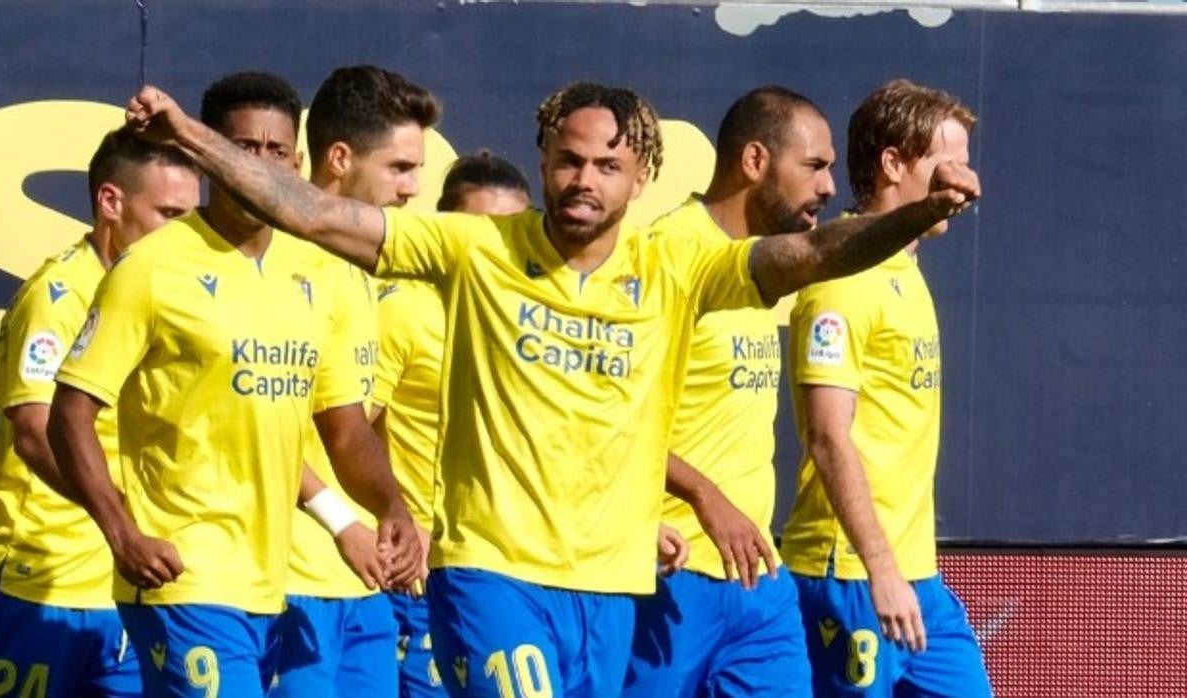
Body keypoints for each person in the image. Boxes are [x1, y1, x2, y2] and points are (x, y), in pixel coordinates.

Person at [121, 79, 979, 696]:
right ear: (543, 159)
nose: (583, 180)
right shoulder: (477, 251)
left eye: (606, 165)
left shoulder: (673, 265)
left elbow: (817, 254)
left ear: (638, 176)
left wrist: (916, 214)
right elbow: (313, 213)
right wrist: (189, 137)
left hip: (609, 594)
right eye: (567, 161)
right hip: (490, 577)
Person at [48, 71, 421, 698]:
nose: (263, 165)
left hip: (269, 579)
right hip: (183, 573)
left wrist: (391, 506)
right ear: (208, 156)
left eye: (277, 152)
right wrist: (121, 532)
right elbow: (69, 412)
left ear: (297, 160)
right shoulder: (153, 267)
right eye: (245, 149)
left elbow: (345, 427)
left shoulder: (317, 273)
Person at [0, 128, 199, 697]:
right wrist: (124, 528)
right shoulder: (59, 294)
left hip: (131, 588)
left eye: (192, 217)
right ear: (110, 203)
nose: (184, 234)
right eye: (168, 213)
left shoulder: (167, 296)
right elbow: (36, 433)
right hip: (37, 582)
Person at [780, 79, 992, 697]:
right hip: (848, 574)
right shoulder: (842, 282)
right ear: (893, 164)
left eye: (965, 164)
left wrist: (902, 569)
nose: (962, 182)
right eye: (945, 165)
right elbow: (826, 435)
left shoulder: (907, 269)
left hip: (915, 575)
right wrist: (880, 567)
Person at [623, 85, 836, 697]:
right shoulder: (667, 255)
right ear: (754, 162)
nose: (827, 187)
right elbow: (610, 420)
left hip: (757, 585)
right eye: (814, 166)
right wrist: (704, 496)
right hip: (668, 573)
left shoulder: (760, 268)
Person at [274, 64, 440, 698]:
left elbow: (361, 423)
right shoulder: (280, 266)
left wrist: (397, 510)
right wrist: (344, 520)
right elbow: (260, 428)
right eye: (399, 169)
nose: (413, 189)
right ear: (339, 158)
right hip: (287, 581)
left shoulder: (362, 272)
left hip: (360, 587)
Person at [368, 148, 532, 696]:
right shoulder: (405, 309)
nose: (494, 243)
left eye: (512, 229)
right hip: (421, 575)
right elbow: (344, 428)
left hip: (514, 573)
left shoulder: (534, 316)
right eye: (480, 226)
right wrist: (394, 515)